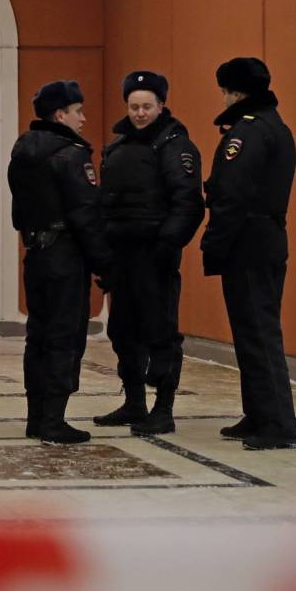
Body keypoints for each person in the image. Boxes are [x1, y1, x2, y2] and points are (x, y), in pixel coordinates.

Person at [93, 71, 204, 435]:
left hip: (155, 255)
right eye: (134, 106)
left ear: (161, 106)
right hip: (121, 255)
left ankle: (163, 408)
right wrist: (103, 251)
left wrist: (167, 245)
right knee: (123, 331)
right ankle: (135, 402)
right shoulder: (117, 147)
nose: (140, 113)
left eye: (147, 106)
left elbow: (188, 203)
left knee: (161, 333)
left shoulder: (175, 146)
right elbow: (104, 202)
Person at [202, 57, 296, 450]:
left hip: (248, 243)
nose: (223, 99)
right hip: (267, 238)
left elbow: (232, 195)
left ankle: (277, 424)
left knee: (258, 334)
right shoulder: (277, 127)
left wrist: (214, 243)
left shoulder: (248, 132)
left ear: (236, 92)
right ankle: (259, 413)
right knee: (252, 332)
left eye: (225, 91)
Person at [8, 80, 113, 445]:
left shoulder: (23, 152)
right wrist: (105, 264)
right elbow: (85, 214)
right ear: (59, 115)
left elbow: (19, 212)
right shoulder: (71, 155)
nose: (83, 119)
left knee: (37, 336)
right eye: (77, 111)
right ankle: (54, 420)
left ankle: (36, 417)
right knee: (64, 337)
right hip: (66, 256)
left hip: (36, 253)